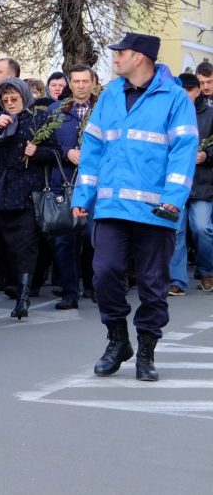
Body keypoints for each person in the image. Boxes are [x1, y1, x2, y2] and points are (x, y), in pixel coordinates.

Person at [72, 32, 198, 382]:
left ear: (139, 57)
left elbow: (183, 152)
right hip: (111, 208)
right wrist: (83, 197)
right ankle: (117, 340)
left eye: (120, 53)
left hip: (156, 212)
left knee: (152, 284)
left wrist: (173, 202)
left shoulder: (174, 98)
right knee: (106, 274)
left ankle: (146, 349)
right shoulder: (111, 94)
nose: (115, 58)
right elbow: (93, 148)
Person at [0, 77, 52, 319]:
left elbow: (55, 152)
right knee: (8, 245)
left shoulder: (38, 118)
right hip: (6, 189)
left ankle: (24, 296)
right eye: (5, 99)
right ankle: (15, 284)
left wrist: (38, 152)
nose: (9, 103)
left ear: (24, 97)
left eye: (14, 98)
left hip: (30, 190)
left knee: (26, 244)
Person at [42, 64, 98, 309]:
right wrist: (66, 152)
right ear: (69, 84)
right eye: (76, 81)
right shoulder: (56, 111)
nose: (81, 86)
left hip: (98, 183)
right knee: (66, 239)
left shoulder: (104, 110)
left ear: (93, 82)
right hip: (64, 181)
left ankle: (95, 287)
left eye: (85, 81)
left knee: (96, 237)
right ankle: (69, 292)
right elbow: (41, 147)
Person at [167, 74, 212, 294]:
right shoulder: (171, 113)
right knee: (175, 231)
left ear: (196, 92)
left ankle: (206, 272)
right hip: (176, 184)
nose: (183, 96)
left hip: (202, 184)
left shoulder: (210, 114)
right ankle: (177, 280)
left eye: (188, 91)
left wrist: (207, 155)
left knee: (202, 228)